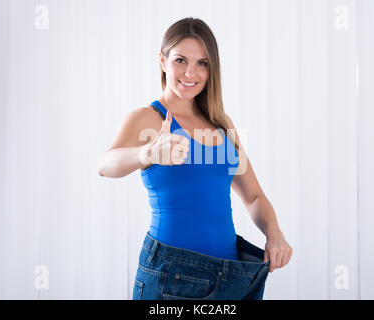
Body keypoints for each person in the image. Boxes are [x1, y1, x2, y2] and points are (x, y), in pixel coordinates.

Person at [98, 17, 293, 300]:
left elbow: (253, 197)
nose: (191, 72)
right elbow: (105, 164)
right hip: (172, 275)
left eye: (202, 63)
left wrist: (274, 234)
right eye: (180, 60)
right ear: (162, 61)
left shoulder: (222, 123)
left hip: (232, 276)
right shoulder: (147, 118)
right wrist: (148, 153)